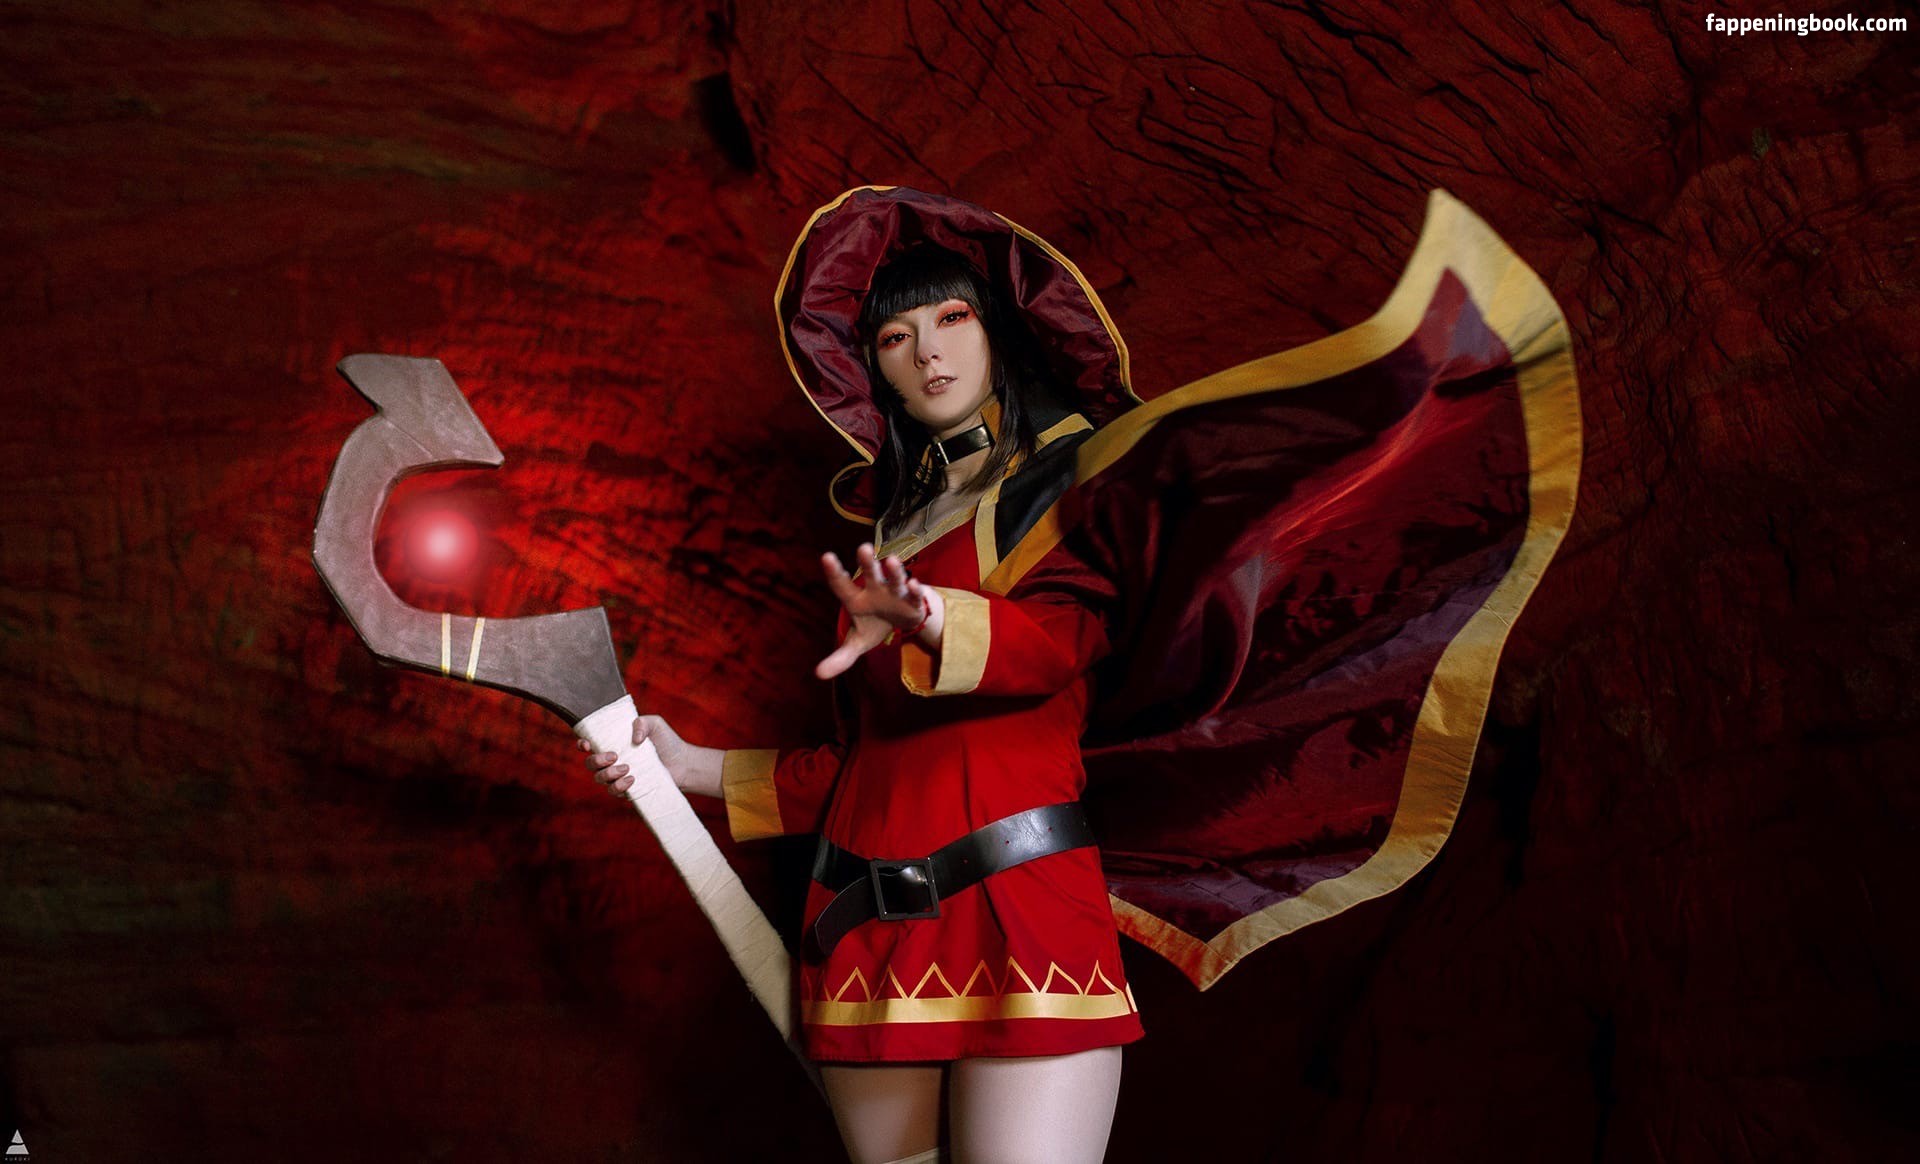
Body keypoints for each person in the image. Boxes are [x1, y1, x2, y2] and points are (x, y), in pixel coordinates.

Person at [583, 218, 1142, 1164]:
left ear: (998, 330)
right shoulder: (888, 537)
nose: (928, 352)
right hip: (863, 929)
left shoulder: (1071, 486)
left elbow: (1060, 645)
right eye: (894, 335)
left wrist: (929, 617)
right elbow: (863, 764)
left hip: (1021, 912)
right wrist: (690, 767)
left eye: (953, 319)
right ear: (875, 369)